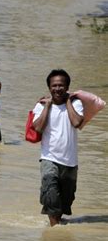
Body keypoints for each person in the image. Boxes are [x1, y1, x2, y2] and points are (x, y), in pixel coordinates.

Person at [32, 69, 84, 227]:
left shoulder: (76, 104)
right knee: (51, 195)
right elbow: (38, 128)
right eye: (54, 85)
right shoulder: (41, 106)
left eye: (61, 85)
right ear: (49, 87)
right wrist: (47, 106)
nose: (57, 89)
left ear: (67, 87)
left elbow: (77, 122)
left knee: (65, 201)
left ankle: (56, 225)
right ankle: (55, 233)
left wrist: (68, 101)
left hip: (70, 162)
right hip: (49, 159)